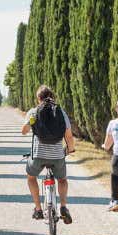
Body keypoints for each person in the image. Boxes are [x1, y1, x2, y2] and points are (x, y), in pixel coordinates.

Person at [22, 85, 76, 224]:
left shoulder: (34, 112)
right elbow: (68, 136)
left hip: (38, 156)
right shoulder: (60, 112)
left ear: (38, 98)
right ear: (52, 97)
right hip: (57, 156)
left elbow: (24, 131)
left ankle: (38, 209)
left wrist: (32, 122)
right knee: (62, 179)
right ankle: (63, 207)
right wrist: (71, 149)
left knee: (31, 177)